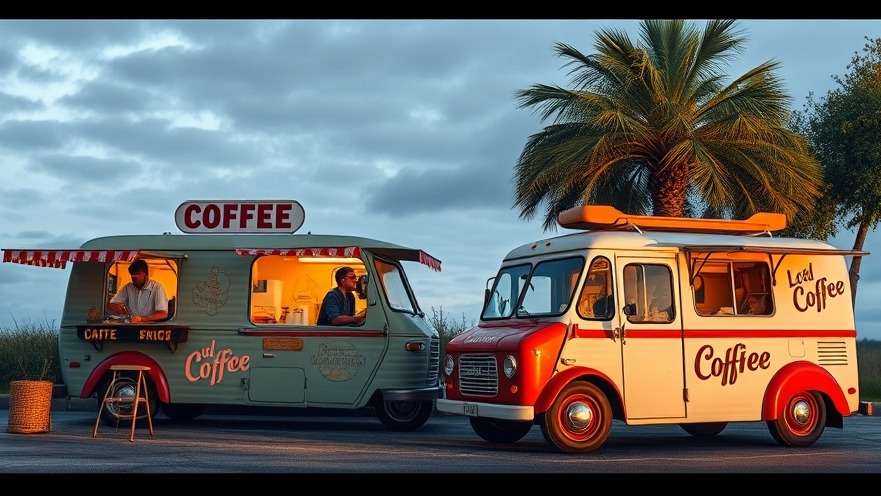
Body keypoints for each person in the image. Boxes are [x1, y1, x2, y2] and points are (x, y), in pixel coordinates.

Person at [107, 259, 169, 324]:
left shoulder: (157, 287)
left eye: (137, 273)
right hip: (132, 325)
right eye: (132, 274)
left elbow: (163, 314)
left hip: (150, 327)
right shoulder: (128, 287)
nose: (134, 277)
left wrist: (142, 319)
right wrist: (122, 311)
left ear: (145, 273)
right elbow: (111, 305)